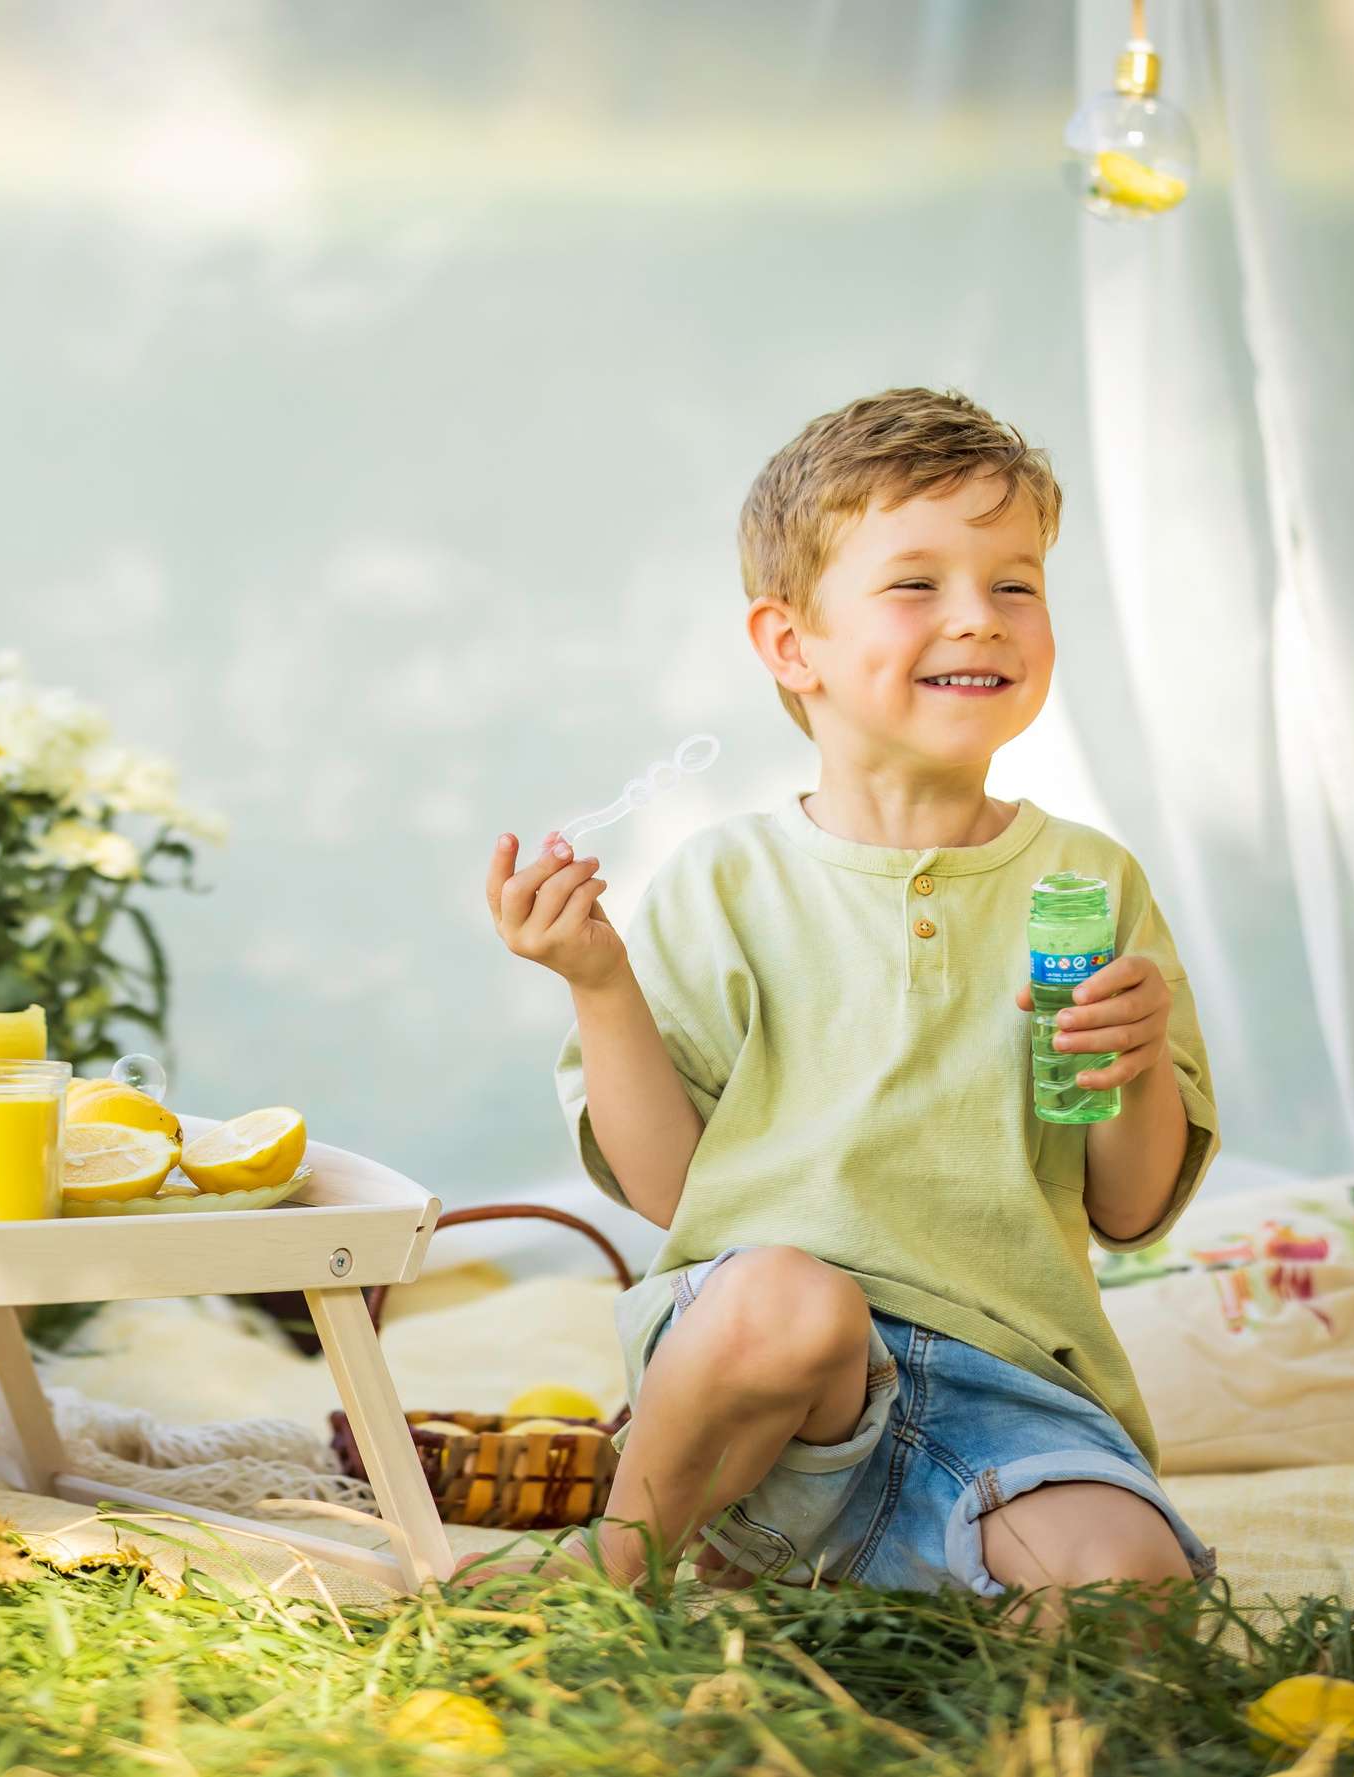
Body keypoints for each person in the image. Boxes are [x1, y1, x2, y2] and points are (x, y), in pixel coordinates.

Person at [477, 388, 1219, 1607]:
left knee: (1130, 1585)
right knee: (787, 1296)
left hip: (1004, 1403)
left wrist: (1128, 1066)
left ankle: (862, 1589)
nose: (976, 619)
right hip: (762, 1402)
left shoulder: (1089, 881)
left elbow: (1132, 1208)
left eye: (1015, 584)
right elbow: (673, 1195)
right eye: (916, 584)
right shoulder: (725, 880)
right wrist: (598, 984)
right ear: (788, 645)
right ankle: (620, 1575)